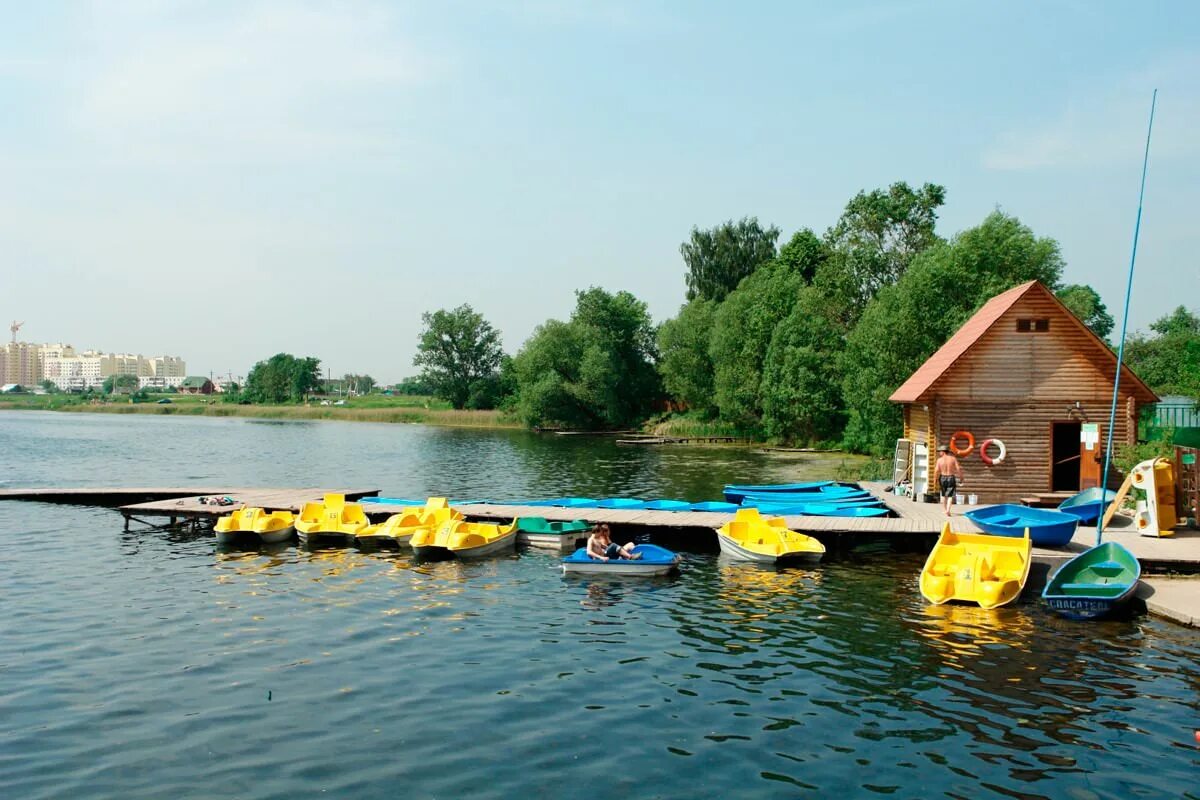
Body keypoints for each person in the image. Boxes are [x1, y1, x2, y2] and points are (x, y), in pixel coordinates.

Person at [935, 445, 964, 515]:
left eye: (940, 451)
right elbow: (958, 469)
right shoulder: (953, 459)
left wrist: (935, 479)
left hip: (942, 478)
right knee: (950, 496)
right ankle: (948, 510)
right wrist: (961, 477)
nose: (939, 453)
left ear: (943, 452)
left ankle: (945, 510)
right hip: (951, 477)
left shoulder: (939, 460)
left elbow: (936, 471)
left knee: (943, 495)